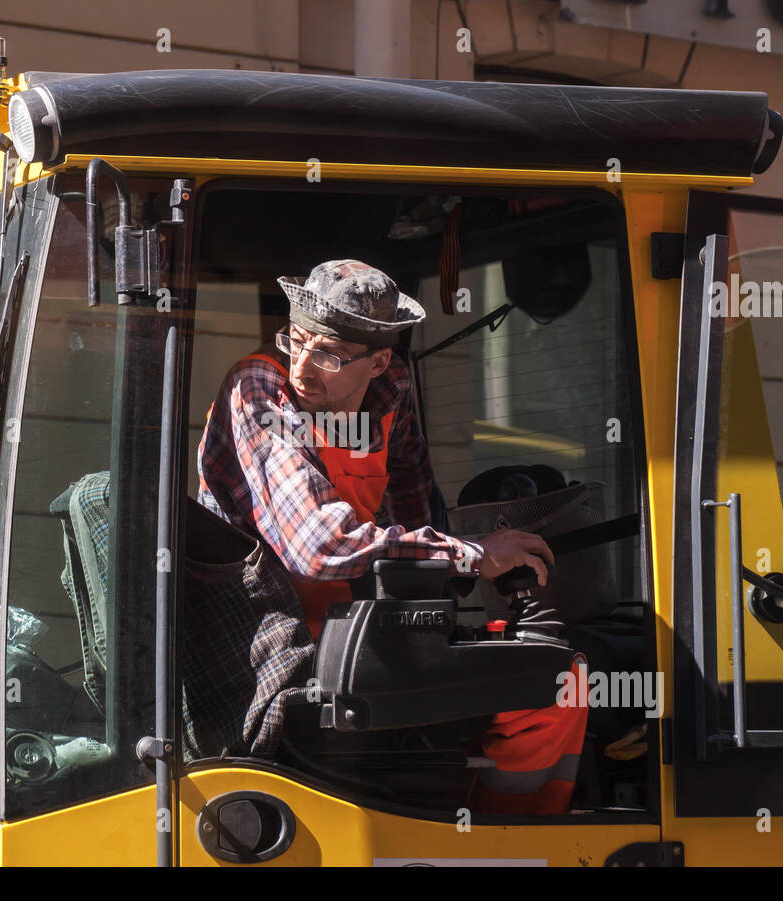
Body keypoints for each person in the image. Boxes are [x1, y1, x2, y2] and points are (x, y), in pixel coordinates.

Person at [197, 258, 587, 814]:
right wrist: (471, 556)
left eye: (328, 353)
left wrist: (449, 611)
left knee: (558, 676)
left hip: (353, 638)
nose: (304, 367)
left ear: (379, 360)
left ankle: (507, 840)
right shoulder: (260, 387)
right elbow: (322, 548)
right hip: (269, 653)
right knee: (546, 685)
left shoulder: (391, 393)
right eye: (297, 341)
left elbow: (417, 501)